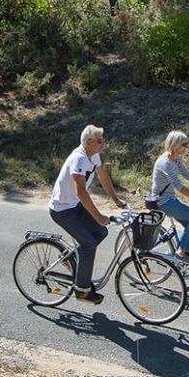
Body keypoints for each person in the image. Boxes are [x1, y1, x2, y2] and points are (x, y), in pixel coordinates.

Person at [48, 124, 127, 304]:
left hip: (74, 205)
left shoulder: (93, 154)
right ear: (89, 142)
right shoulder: (79, 159)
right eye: (100, 141)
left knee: (100, 232)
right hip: (62, 209)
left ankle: (69, 258)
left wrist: (115, 199)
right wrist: (98, 216)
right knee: (89, 244)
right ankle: (82, 290)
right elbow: (81, 191)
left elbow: (103, 175)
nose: (104, 143)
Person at [147, 130, 189, 264]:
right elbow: (180, 187)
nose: (187, 147)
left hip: (170, 199)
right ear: (175, 144)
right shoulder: (165, 163)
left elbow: (188, 175)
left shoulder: (176, 158)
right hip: (162, 202)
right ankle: (180, 253)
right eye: (184, 144)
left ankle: (178, 256)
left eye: (187, 144)